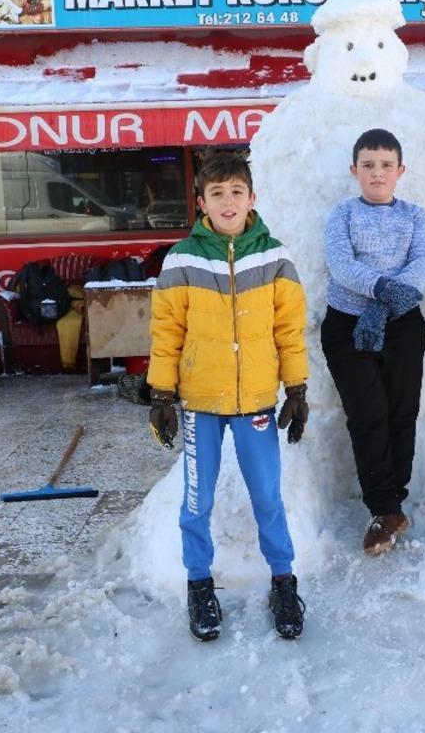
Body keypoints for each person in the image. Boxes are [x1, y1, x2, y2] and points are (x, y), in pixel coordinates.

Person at [147, 151, 311, 641]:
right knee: (196, 501)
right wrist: (162, 393)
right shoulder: (182, 259)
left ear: (252, 198)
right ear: (202, 203)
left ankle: (283, 580)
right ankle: (199, 584)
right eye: (217, 193)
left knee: (268, 498)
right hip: (200, 405)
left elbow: (290, 330)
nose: (228, 201)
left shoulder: (275, 257)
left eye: (236, 192)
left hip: (258, 401)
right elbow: (166, 330)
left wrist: (297, 388)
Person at [321, 129, 425, 555]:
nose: (377, 172)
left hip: (404, 325)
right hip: (346, 326)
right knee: (366, 416)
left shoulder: (415, 216)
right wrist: (384, 291)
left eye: (386, 165)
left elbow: (420, 266)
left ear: (400, 171)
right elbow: (341, 266)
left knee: (402, 414)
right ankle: (384, 509)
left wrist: (384, 306)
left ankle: (393, 505)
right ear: (355, 170)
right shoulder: (342, 215)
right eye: (368, 164)